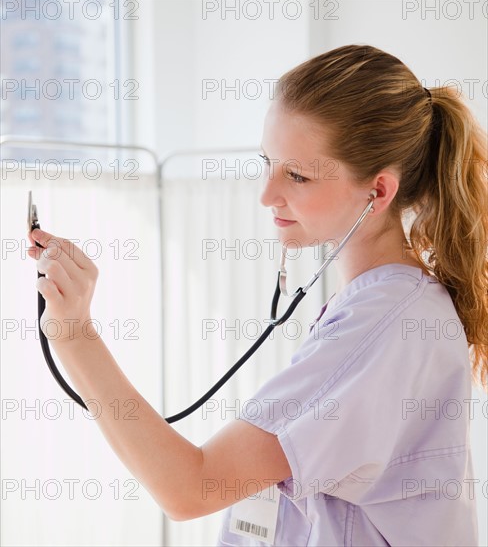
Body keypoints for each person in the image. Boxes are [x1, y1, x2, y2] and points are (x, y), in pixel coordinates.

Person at [27, 44, 487, 546]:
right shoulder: (386, 307)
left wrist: (75, 335)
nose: (266, 195)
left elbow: (191, 488)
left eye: (297, 175)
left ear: (377, 192)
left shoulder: (383, 324)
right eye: (267, 162)